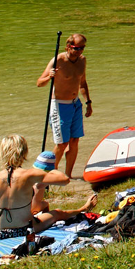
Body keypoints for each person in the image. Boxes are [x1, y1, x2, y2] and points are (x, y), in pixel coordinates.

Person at [0, 135, 70, 240]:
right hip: (24, 230)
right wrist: (50, 168)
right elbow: (65, 179)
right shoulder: (29, 175)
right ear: (24, 152)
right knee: (56, 214)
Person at [36, 33, 92, 178]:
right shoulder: (58, 60)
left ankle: (68, 176)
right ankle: (48, 176)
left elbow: (83, 83)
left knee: (74, 141)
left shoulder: (82, 60)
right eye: (76, 48)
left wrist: (88, 102)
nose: (80, 51)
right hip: (60, 105)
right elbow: (39, 83)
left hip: (75, 104)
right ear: (68, 46)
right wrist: (50, 76)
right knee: (62, 144)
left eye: (82, 48)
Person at [29, 151, 98, 228]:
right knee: (58, 213)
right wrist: (52, 170)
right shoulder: (39, 185)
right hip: (26, 226)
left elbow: (35, 205)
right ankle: (84, 208)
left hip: (17, 218)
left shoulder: (27, 179)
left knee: (44, 204)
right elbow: (65, 179)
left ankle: (48, 222)